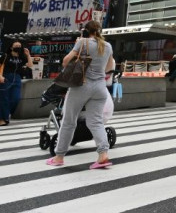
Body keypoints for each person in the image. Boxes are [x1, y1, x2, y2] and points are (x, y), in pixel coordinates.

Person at [46, 21, 114, 168]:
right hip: (100, 88)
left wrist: (78, 46)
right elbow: (109, 67)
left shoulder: (83, 42)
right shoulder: (107, 46)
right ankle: (103, 155)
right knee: (96, 122)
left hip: (81, 86)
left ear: (85, 31)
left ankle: (59, 157)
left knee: (69, 121)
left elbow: (65, 62)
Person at [0, 42, 33, 127]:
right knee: (4, 99)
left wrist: (28, 55)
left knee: (16, 98)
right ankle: (3, 119)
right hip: (6, 78)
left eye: (19, 46)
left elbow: (30, 65)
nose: (18, 47)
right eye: (16, 46)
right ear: (11, 47)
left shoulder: (21, 57)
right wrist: (0, 76)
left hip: (17, 78)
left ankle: (6, 114)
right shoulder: (5, 56)